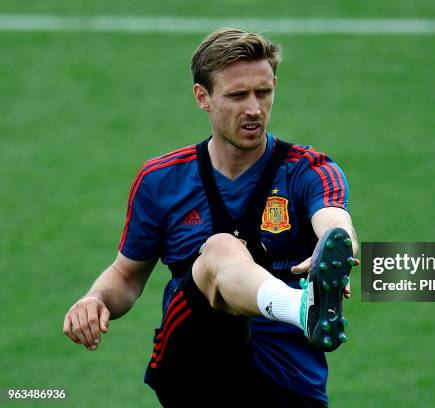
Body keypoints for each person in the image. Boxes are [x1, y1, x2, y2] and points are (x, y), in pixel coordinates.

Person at [63, 27, 358, 407]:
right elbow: (126, 275)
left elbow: (334, 222)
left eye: (263, 93)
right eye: (237, 95)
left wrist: (333, 249)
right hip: (192, 363)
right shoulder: (161, 180)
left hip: (288, 379)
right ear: (202, 97)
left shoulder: (309, 170)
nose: (254, 108)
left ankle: (307, 307)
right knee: (220, 249)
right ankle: (301, 307)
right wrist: (95, 298)